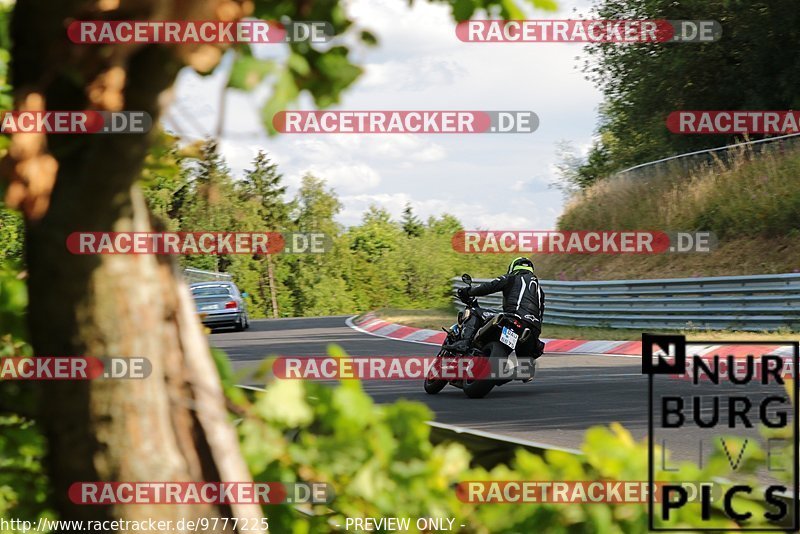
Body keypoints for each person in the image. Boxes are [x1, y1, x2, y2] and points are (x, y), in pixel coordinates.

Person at [454, 257, 546, 380]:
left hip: (514, 317)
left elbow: (489, 286)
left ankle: (463, 343)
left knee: (474, 311)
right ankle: (506, 374)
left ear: (513, 268)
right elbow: (541, 313)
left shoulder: (512, 278)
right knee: (526, 369)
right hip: (532, 329)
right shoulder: (539, 290)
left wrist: (468, 291)